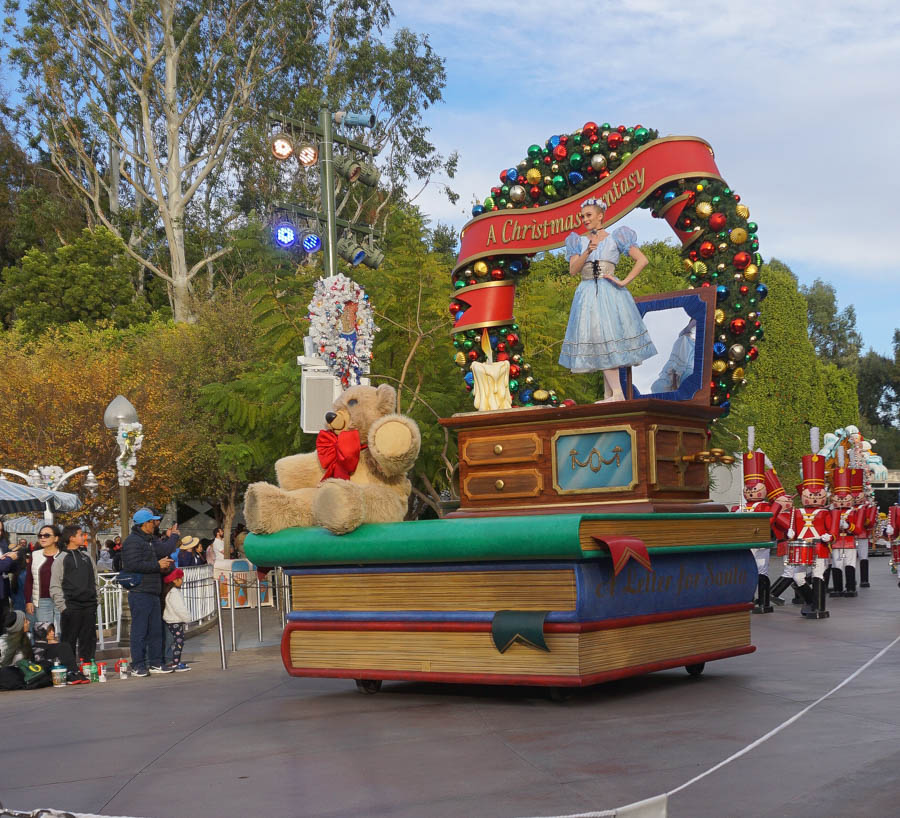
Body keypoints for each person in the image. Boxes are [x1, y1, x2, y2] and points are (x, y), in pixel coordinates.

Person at [559, 198, 657, 402]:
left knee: (606, 339)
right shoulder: (578, 241)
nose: (584, 219)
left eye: (588, 215)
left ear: (600, 215)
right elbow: (573, 270)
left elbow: (642, 260)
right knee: (597, 338)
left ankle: (618, 393)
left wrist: (624, 281)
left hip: (609, 292)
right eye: (582, 216)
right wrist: (588, 250)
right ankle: (610, 394)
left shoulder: (616, 237)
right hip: (586, 293)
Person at [121, 508, 175, 676]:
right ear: (144, 524)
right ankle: (138, 664)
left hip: (153, 590)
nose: (155, 524)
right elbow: (132, 565)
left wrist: (164, 566)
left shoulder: (149, 540)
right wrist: (157, 566)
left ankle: (156, 662)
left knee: (155, 629)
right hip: (140, 591)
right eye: (152, 521)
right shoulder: (132, 541)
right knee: (140, 630)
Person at [49, 525, 98, 661]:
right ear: (71, 538)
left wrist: (96, 600)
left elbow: (94, 580)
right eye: (81, 534)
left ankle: (87, 665)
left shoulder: (87, 557)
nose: (84, 537)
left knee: (88, 639)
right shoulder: (61, 559)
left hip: (89, 605)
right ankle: (70, 669)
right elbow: (55, 585)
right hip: (71, 606)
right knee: (68, 640)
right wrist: (63, 607)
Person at [25, 524, 63, 632]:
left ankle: (64, 649)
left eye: (46, 535)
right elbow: (29, 579)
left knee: (63, 632)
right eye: (40, 535)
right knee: (44, 633)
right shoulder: (35, 555)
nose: (42, 538)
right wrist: (28, 600)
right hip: (42, 600)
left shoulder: (64, 555)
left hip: (62, 599)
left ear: (56, 538)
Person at [162, 569, 192, 671]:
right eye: (181, 579)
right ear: (175, 580)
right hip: (175, 620)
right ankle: (176, 663)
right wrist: (187, 618)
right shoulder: (174, 593)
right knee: (179, 642)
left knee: (175, 641)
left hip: (171, 620)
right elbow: (179, 608)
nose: (182, 581)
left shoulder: (170, 591)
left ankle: (174, 661)